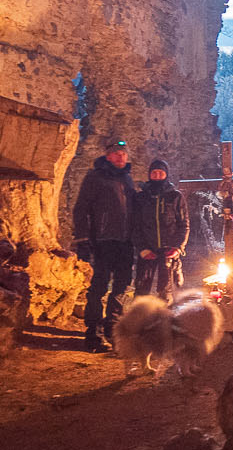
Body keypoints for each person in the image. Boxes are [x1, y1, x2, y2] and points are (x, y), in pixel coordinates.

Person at [71, 139, 135, 352]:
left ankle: (113, 329)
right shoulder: (95, 177)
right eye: (116, 153)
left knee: (121, 286)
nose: (120, 156)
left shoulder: (127, 178)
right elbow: (81, 209)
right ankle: (93, 333)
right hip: (103, 240)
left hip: (125, 242)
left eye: (123, 153)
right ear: (107, 155)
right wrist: (83, 239)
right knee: (99, 287)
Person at [129, 157, 188, 301]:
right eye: (154, 173)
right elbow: (134, 225)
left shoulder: (175, 197)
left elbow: (184, 224)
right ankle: (141, 320)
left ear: (166, 175)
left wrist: (178, 248)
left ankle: (165, 320)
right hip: (147, 249)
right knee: (142, 290)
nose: (157, 176)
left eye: (160, 173)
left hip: (168, 250)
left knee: (166, 291)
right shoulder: (141, 197)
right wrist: (142, 248)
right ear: (149, 174)